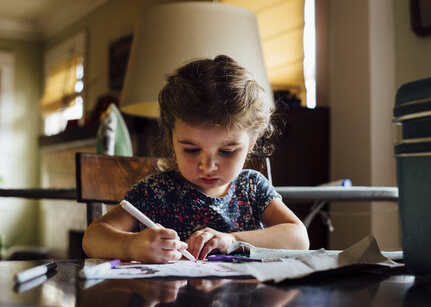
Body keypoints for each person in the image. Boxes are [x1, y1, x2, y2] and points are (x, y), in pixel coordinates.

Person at [82, 55, 309, 263]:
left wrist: (232, 240)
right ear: (171, 141)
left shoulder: (252, 188)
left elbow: (298, 238)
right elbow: (92, 237)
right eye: (191, 149)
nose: (208, 166)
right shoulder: (156, 191)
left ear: (251, 143)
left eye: (227, 151)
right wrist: (131, 246)